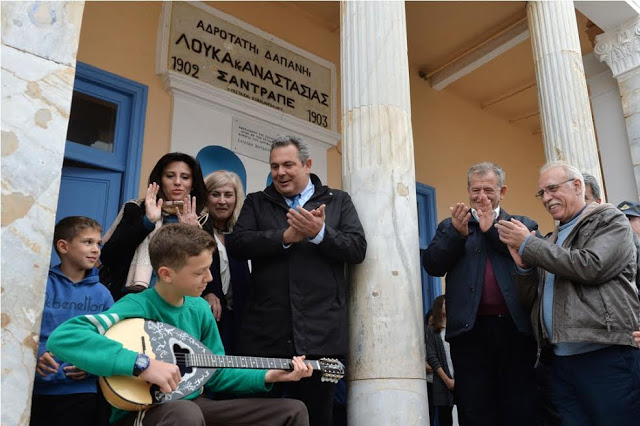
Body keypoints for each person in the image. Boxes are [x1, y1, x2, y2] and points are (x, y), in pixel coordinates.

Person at [47, 223, 313, 426]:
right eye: (199, 272)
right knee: (186, 412)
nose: (209, 278)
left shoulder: (199, 309)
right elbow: (65, 336)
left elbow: (216, 371)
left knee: (292, 411)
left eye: (209, 268)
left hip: (192, 404)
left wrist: (269, 375)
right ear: (166, 274)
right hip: (142, 411)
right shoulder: (136, 306)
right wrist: (142, 364)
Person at [227, 135, 367, 426]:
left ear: (307, 164)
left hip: (321, 337)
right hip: (265, 336)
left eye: (288, 164)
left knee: (317, 417)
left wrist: (319, 233)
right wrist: (284, 237)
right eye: (275, 166)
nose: (280, 172)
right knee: (263, 417)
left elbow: (357, 248)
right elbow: (238, 244)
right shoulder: (257, 202)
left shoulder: (338, 201)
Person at [496, 161, 640, 426]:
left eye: (552, 189)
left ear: (577, 186)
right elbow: (531, 300)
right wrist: (524, 267)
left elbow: (592, 266)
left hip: (605, 354)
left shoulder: (611, 220)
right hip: (561, 362)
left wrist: (529, 244)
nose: (547, 198)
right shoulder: (551, 239)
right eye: (542, 193)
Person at [422, 162, 539, 426]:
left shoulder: (521, 224)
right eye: (475, 190)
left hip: (515, 330)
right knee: (474, 409)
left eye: (489, 189)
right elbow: (432, 265)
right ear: (468, 190)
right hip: (469, 332)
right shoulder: (451, 225)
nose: (481, 196)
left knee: (519, 408)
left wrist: (491, 230)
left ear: (503, 191)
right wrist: (456, 234)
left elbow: (534, 260)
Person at [31, 216, 114, 426]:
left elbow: (111, 343)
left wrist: (91, 366)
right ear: (63, 246)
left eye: (98, 243)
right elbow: (18, 332)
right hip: (36, 390)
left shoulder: (103, 294)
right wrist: (36, 356)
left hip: (83, 393)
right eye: (88, 242)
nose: (96, 249)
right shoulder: (39, 286)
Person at [100, 152, 208, 300]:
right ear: (159, 180)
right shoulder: (136, 209)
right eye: (170, 176)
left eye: (185, 177)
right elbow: (109, 256)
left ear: (193, 184)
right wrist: (147, 222)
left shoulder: (201, 219)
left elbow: (204, 269)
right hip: (135, 299)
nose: (177, 182)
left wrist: (191, 232)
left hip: (180, 301)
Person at [200, 170, 250, 354]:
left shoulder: (241, 232)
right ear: (206, 197)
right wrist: (207, 292)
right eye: (215, 194)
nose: (222, 201)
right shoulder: (197, 226)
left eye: (228, 195)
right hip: (208, 317)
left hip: (239, 319)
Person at [426, 296, 455, 426]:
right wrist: (447, 380)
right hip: (442, 382)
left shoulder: (456, 326)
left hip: (461, 379)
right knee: (445, 419)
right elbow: (432, 357)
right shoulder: (432, 330)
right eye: (445, 303)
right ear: (439, 307)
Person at [424, 310, 436, 426]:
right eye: (430, 322)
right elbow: (424, 366)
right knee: (430, 412)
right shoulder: (423, 341)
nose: (432, 326)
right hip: (430, 383)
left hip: (444, 382)